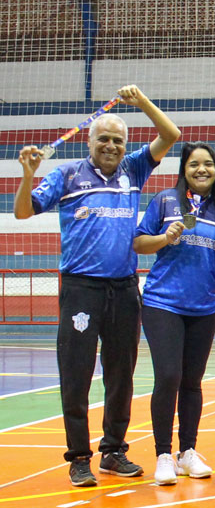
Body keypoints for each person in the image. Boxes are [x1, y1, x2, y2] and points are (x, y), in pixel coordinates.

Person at [15, 85, 180, 486]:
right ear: (89, 141)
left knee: (121, 373)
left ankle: (113, 451)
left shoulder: (134, 170)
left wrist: (141, 102)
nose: (111, 146)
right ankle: (78, 457)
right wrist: (27, 175)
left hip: (124, 289)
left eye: (118, 141)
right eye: (103, 139)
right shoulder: (67, 174)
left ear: (126, 146)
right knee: (76, 373)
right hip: (81, 290)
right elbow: (22, 213)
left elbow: (171, 135)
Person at [133, 142, 215, 485]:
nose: (202, 169)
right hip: (163, 303)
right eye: (194, 164)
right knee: (168, 377)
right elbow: (138, 242)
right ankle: (164, 453)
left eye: (209, 164)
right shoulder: (165, 200)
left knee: (192, 382)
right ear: (184, 169)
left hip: (204, 308)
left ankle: (187, 452)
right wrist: (165, 238)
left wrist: (204, 280)